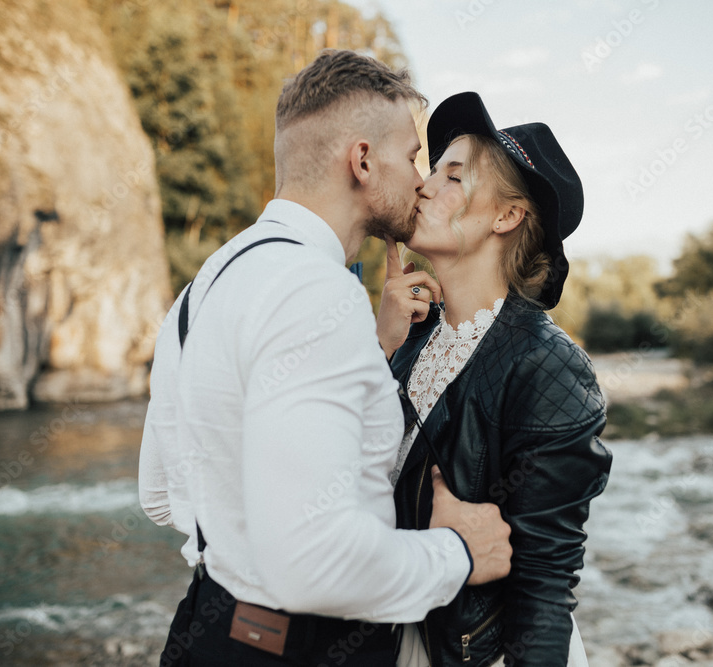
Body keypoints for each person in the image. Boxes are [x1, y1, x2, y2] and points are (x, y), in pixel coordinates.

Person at [138, 53, 513, 666]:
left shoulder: (205, 284)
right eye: (412, 157)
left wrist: (373, 350)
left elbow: (161, 495)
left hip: (205, 630)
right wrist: (459, 554)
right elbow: (314, 565)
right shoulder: (317, 292)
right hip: (301, 650)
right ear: (363, 161)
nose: (422, 180)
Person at [376, 92, 613, 667]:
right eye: (431, 170)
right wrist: (377, 346)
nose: (425, 186)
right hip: (394, 637)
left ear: (506, 217)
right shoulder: (410, 337)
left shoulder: (547, 364)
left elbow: (544, 586)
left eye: (453, 176)